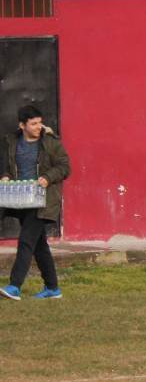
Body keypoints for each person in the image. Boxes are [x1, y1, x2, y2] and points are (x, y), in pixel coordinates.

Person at [1, 105, 70, 301]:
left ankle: (14, 286)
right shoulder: (11, 141)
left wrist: (48, 177)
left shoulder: (50, 142)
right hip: (22, 200)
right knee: (39, 246)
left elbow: (65, 167)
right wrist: (6, 176)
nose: (39, 126)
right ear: (22, 125)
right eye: (33, 124)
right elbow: (8, 167)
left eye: (40, 122)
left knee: (25, 241)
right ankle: (53, 288)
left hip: (43, 201)